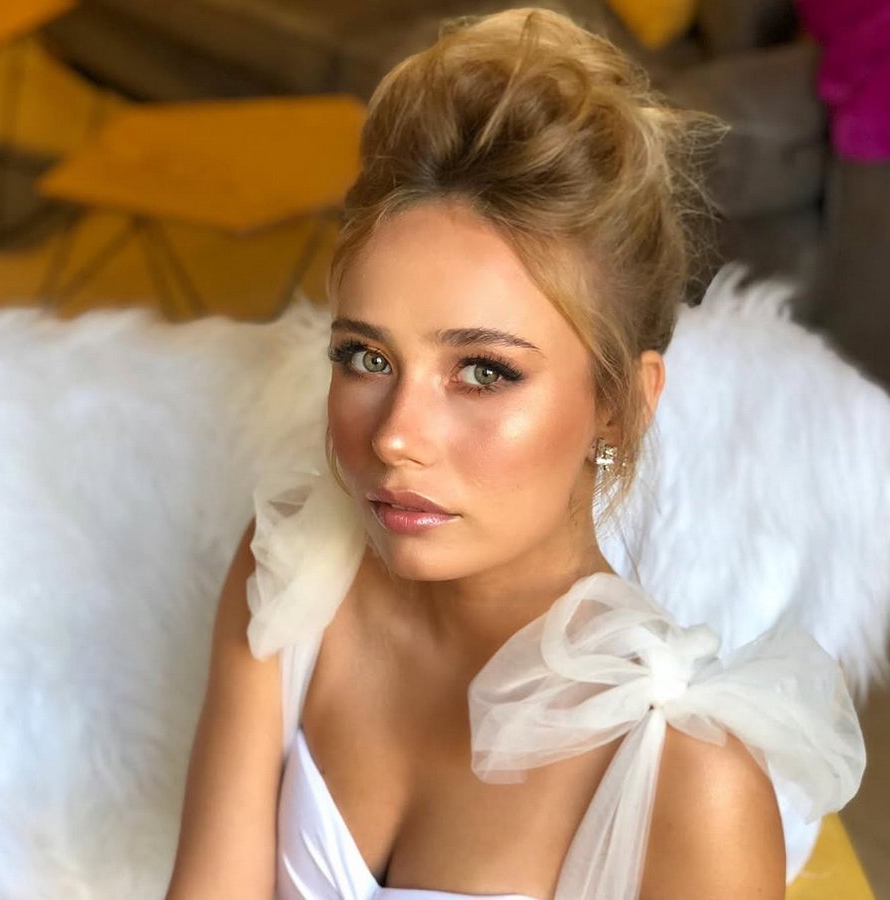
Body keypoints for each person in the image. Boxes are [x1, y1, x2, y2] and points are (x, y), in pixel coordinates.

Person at [166, 9, 864, 899]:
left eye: (484, 372)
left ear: (619, 405)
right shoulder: (293, 577)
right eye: (366, 357)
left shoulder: (690, 782)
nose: (395, 435)